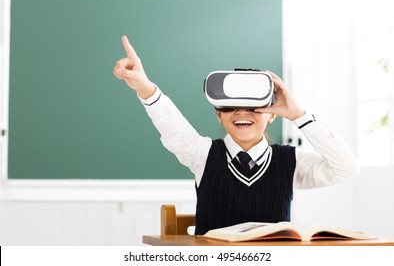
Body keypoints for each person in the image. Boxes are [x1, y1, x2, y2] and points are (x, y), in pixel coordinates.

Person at [113, 35, 359, 235]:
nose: (242, 112)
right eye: (230, 106)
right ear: (219, 115)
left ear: (272, 114)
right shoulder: (203, 155)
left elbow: (346, 168)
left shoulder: (291, 162)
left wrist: (298, 115)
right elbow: (174, 129)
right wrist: (145, 88)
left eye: (254, 106)